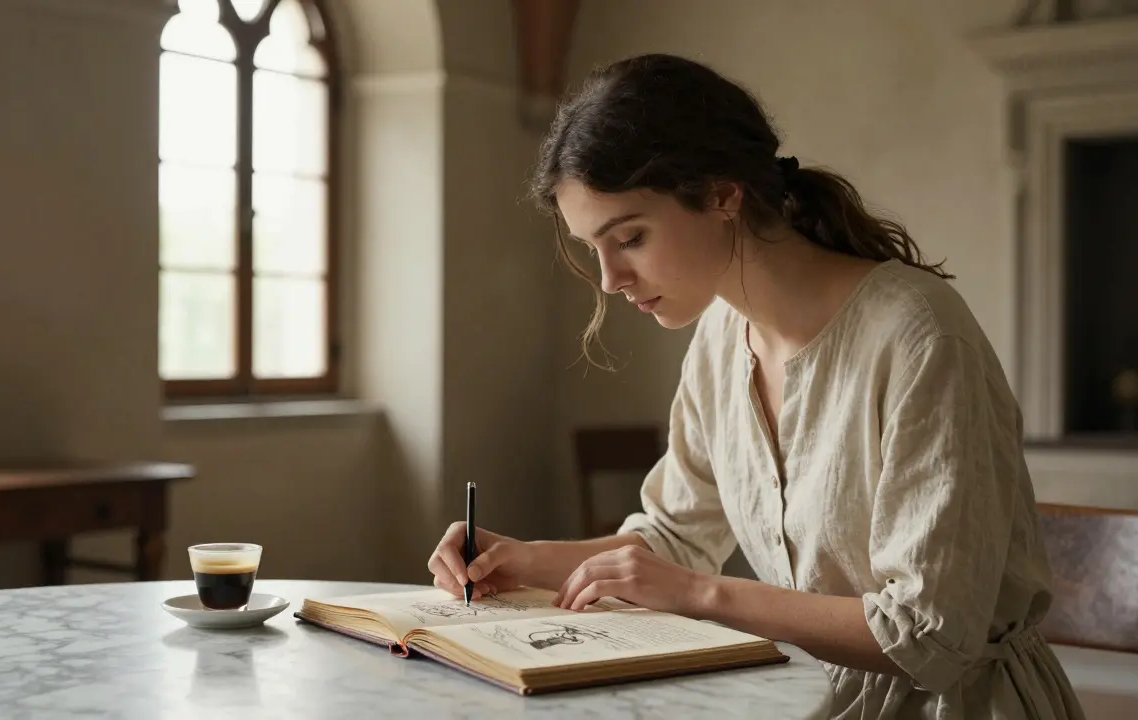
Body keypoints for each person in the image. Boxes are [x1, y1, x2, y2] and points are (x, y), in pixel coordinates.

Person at [426, 53, 1085, 719]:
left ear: (722, 194)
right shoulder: (720, 336)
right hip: (803, 699)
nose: (609, 280)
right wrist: (524, 560)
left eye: (629, 237)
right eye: (593, 248)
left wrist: (701, 594)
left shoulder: (918, 336)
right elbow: (674, 538)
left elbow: (928, 635)